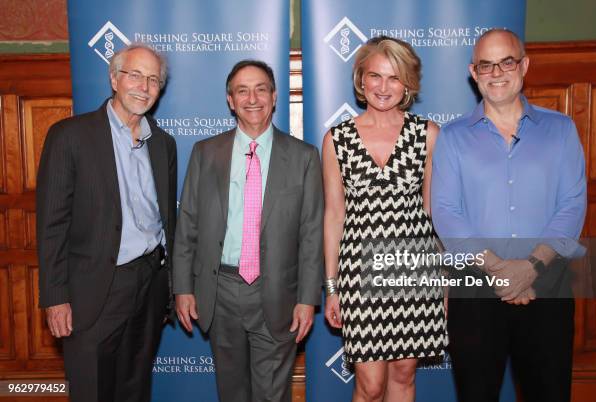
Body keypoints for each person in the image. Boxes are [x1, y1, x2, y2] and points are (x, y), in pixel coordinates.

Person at [432, 28, 586, 402]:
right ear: (473, 72)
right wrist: (501, 269)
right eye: (486, 64)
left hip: (547, 289)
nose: (496, 72)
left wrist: (530, 268)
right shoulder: (452, 137)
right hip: (476, 295)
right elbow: (447, 213)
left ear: (524, 65)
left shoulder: (561, 129)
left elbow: (573, 204)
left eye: (506, 61)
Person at [173, 59, 323, 402]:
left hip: (278, 294)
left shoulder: (303, 157)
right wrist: (182, 287)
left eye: (260, 89)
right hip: (219, 290)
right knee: (232, 392)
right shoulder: (205, 153)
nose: (252, 98)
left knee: (272, 394)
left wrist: (306, 299)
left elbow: (311, 234)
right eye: (242, 90)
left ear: (273, 97)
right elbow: (188, 226)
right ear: (230, 100)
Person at [37, 44, 177, 402]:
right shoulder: (69, 136)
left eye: (152, 79)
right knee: (92, 390)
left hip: (149, 283)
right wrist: (55, 297)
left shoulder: (163, 144)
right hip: (94, 289)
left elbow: (167, 221)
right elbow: (52, 224)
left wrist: (168, 286)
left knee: (135, 386)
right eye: (134, 75)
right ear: (114, 78)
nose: (143, 86)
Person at [322, 36, 447, 402]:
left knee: (404, 375)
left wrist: (442, 280)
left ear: (408, 83)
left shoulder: (428, 135)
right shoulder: (338, 139)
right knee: (370, 385)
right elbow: (334, 215)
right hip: (359, 274)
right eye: (375, 76)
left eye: (394, 78)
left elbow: (433, 214)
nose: (383, 87)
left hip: (414, 271)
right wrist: (332, 286)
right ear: (361, 79)